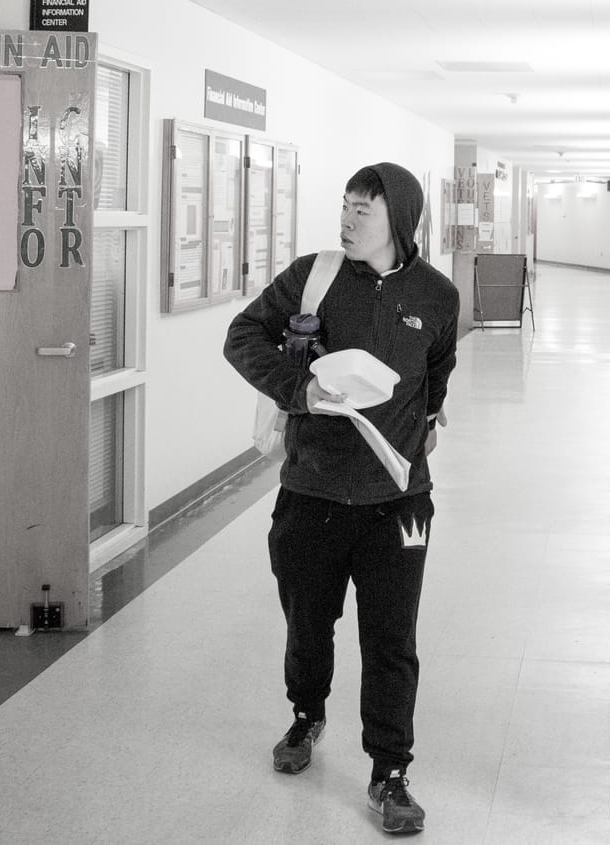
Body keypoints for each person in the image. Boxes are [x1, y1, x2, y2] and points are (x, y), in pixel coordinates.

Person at [224, 162, 459, 835]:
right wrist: (300, 390)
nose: (349, 220)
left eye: (365, 210)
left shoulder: (437, 296)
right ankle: (306, 714)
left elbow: (437, 375)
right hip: (312, 489)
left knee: (391, 638)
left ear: (400, 221)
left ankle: (391, 772)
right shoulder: (312, 276)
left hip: (398, 497)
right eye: (347, 206)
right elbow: (242, 336)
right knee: (308, 622)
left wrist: (423, 426)